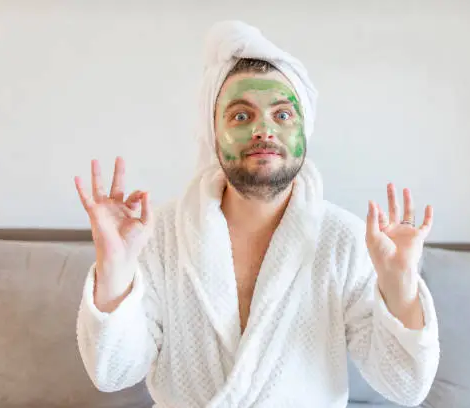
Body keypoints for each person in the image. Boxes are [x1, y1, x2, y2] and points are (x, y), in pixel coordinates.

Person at [74, 20, 440, 408]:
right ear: (212, 133)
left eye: (282, 115)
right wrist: (115, 267)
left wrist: (399, 283)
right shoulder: (159, 234)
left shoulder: (346, 239)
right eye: (241, 116)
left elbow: (405, 386)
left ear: (305, 130)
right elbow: (113, 373)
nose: (264, 130)